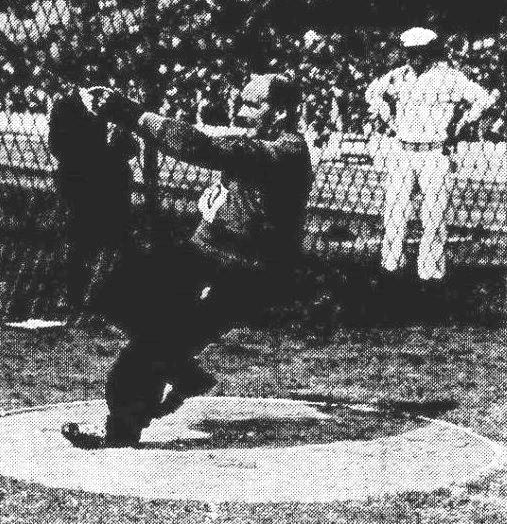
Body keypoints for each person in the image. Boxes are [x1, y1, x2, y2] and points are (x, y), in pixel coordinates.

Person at [61, 72, 313, 448]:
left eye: (253, 105)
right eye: (241, 101)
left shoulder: (287, 153)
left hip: (244, 273)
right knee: (108, 288)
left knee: (150, 346)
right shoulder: (258, 140)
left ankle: (124, 428)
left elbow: (201, 148)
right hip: (203, 254)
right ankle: (183, 370)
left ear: (281, 112)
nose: (241, 112)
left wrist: (133, 114)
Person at [365, 27, 497, 292]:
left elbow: (483, 99)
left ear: (431, 51)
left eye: (421, 52)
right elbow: (371, 93)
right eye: (410, 52)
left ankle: (431, 274)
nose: (415, 57)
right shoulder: (398, 76)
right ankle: (391, 267)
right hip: (403, 150)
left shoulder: (449, 77)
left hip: (434, 152)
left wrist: (460, 125)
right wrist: (389, 119)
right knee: (394, 212)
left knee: (434, 215)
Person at [48, 83, 138, 318]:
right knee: (79, 242)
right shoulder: (66, 106)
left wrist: (117, 141)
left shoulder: (115, 106)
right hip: (82, 184)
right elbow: (58, 146)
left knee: (114, 241)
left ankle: (99, 297)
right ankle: (73, 297)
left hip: (111, 186)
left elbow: (131, 148)